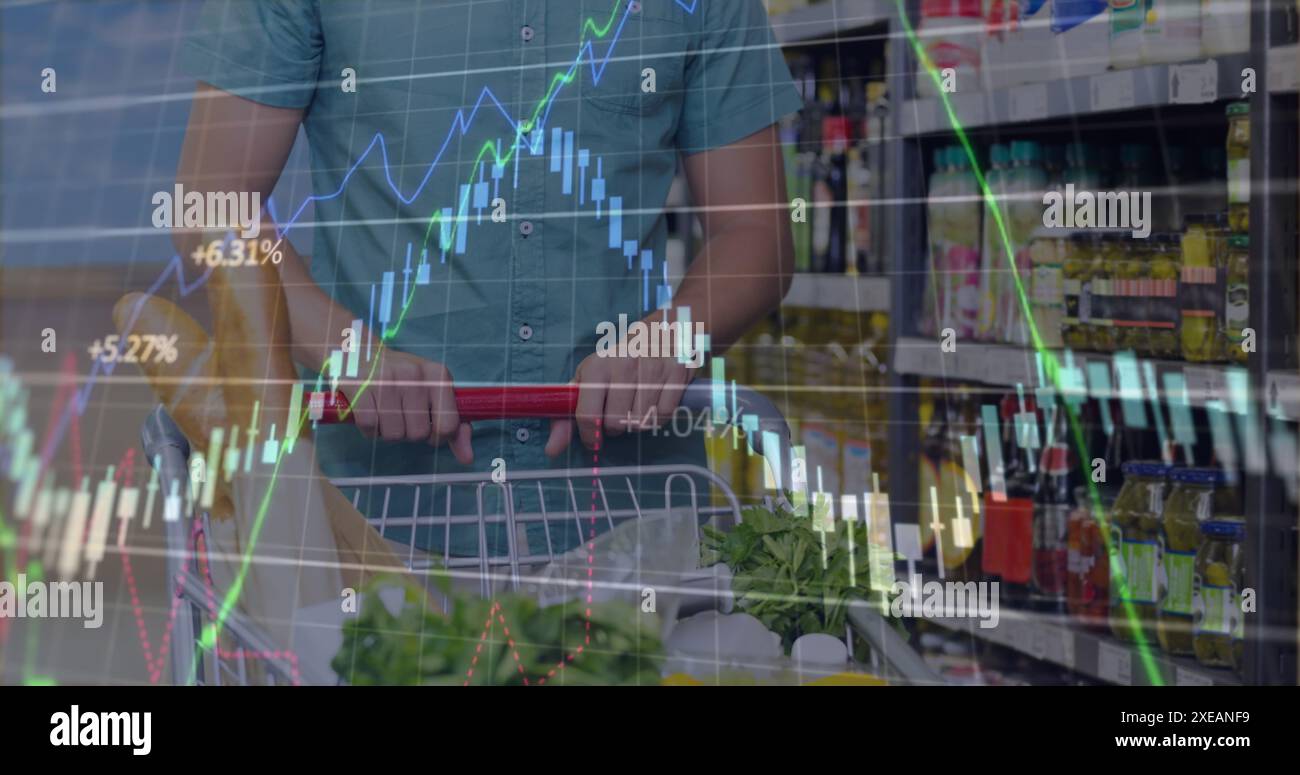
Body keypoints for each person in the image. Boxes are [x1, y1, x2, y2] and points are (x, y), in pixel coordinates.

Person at [174, 0, 800, 558]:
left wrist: (673, 337)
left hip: (630, 519)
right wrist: (346, 348)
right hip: (379, 524)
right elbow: (209, 205)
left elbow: (757, 237)